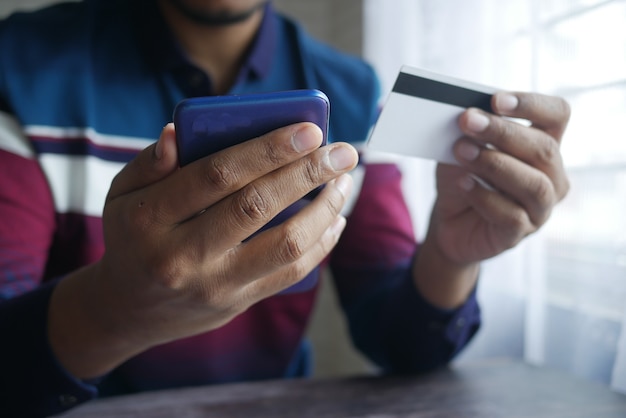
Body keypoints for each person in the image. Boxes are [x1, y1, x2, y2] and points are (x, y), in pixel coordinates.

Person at [0, 0, 570, 416]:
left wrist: (451, 256)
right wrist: (111, 313)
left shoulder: (349, 89)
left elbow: (399, 340)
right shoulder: (20, 64)